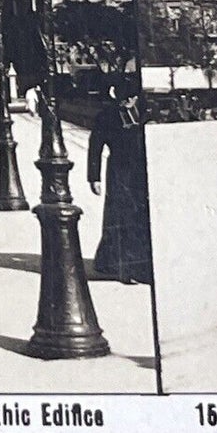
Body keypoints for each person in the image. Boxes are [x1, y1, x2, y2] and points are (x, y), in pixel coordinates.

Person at [87, 80, 153, 284]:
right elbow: (95, 147)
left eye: (131, 98)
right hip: (119, 173)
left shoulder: (145, 116)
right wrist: (94, 177)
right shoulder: (106, 117)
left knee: (141, 218)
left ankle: (141, 266)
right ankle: (124, 267)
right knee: (120, 218)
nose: (128, 102)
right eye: (125, 99)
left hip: (142, 174)